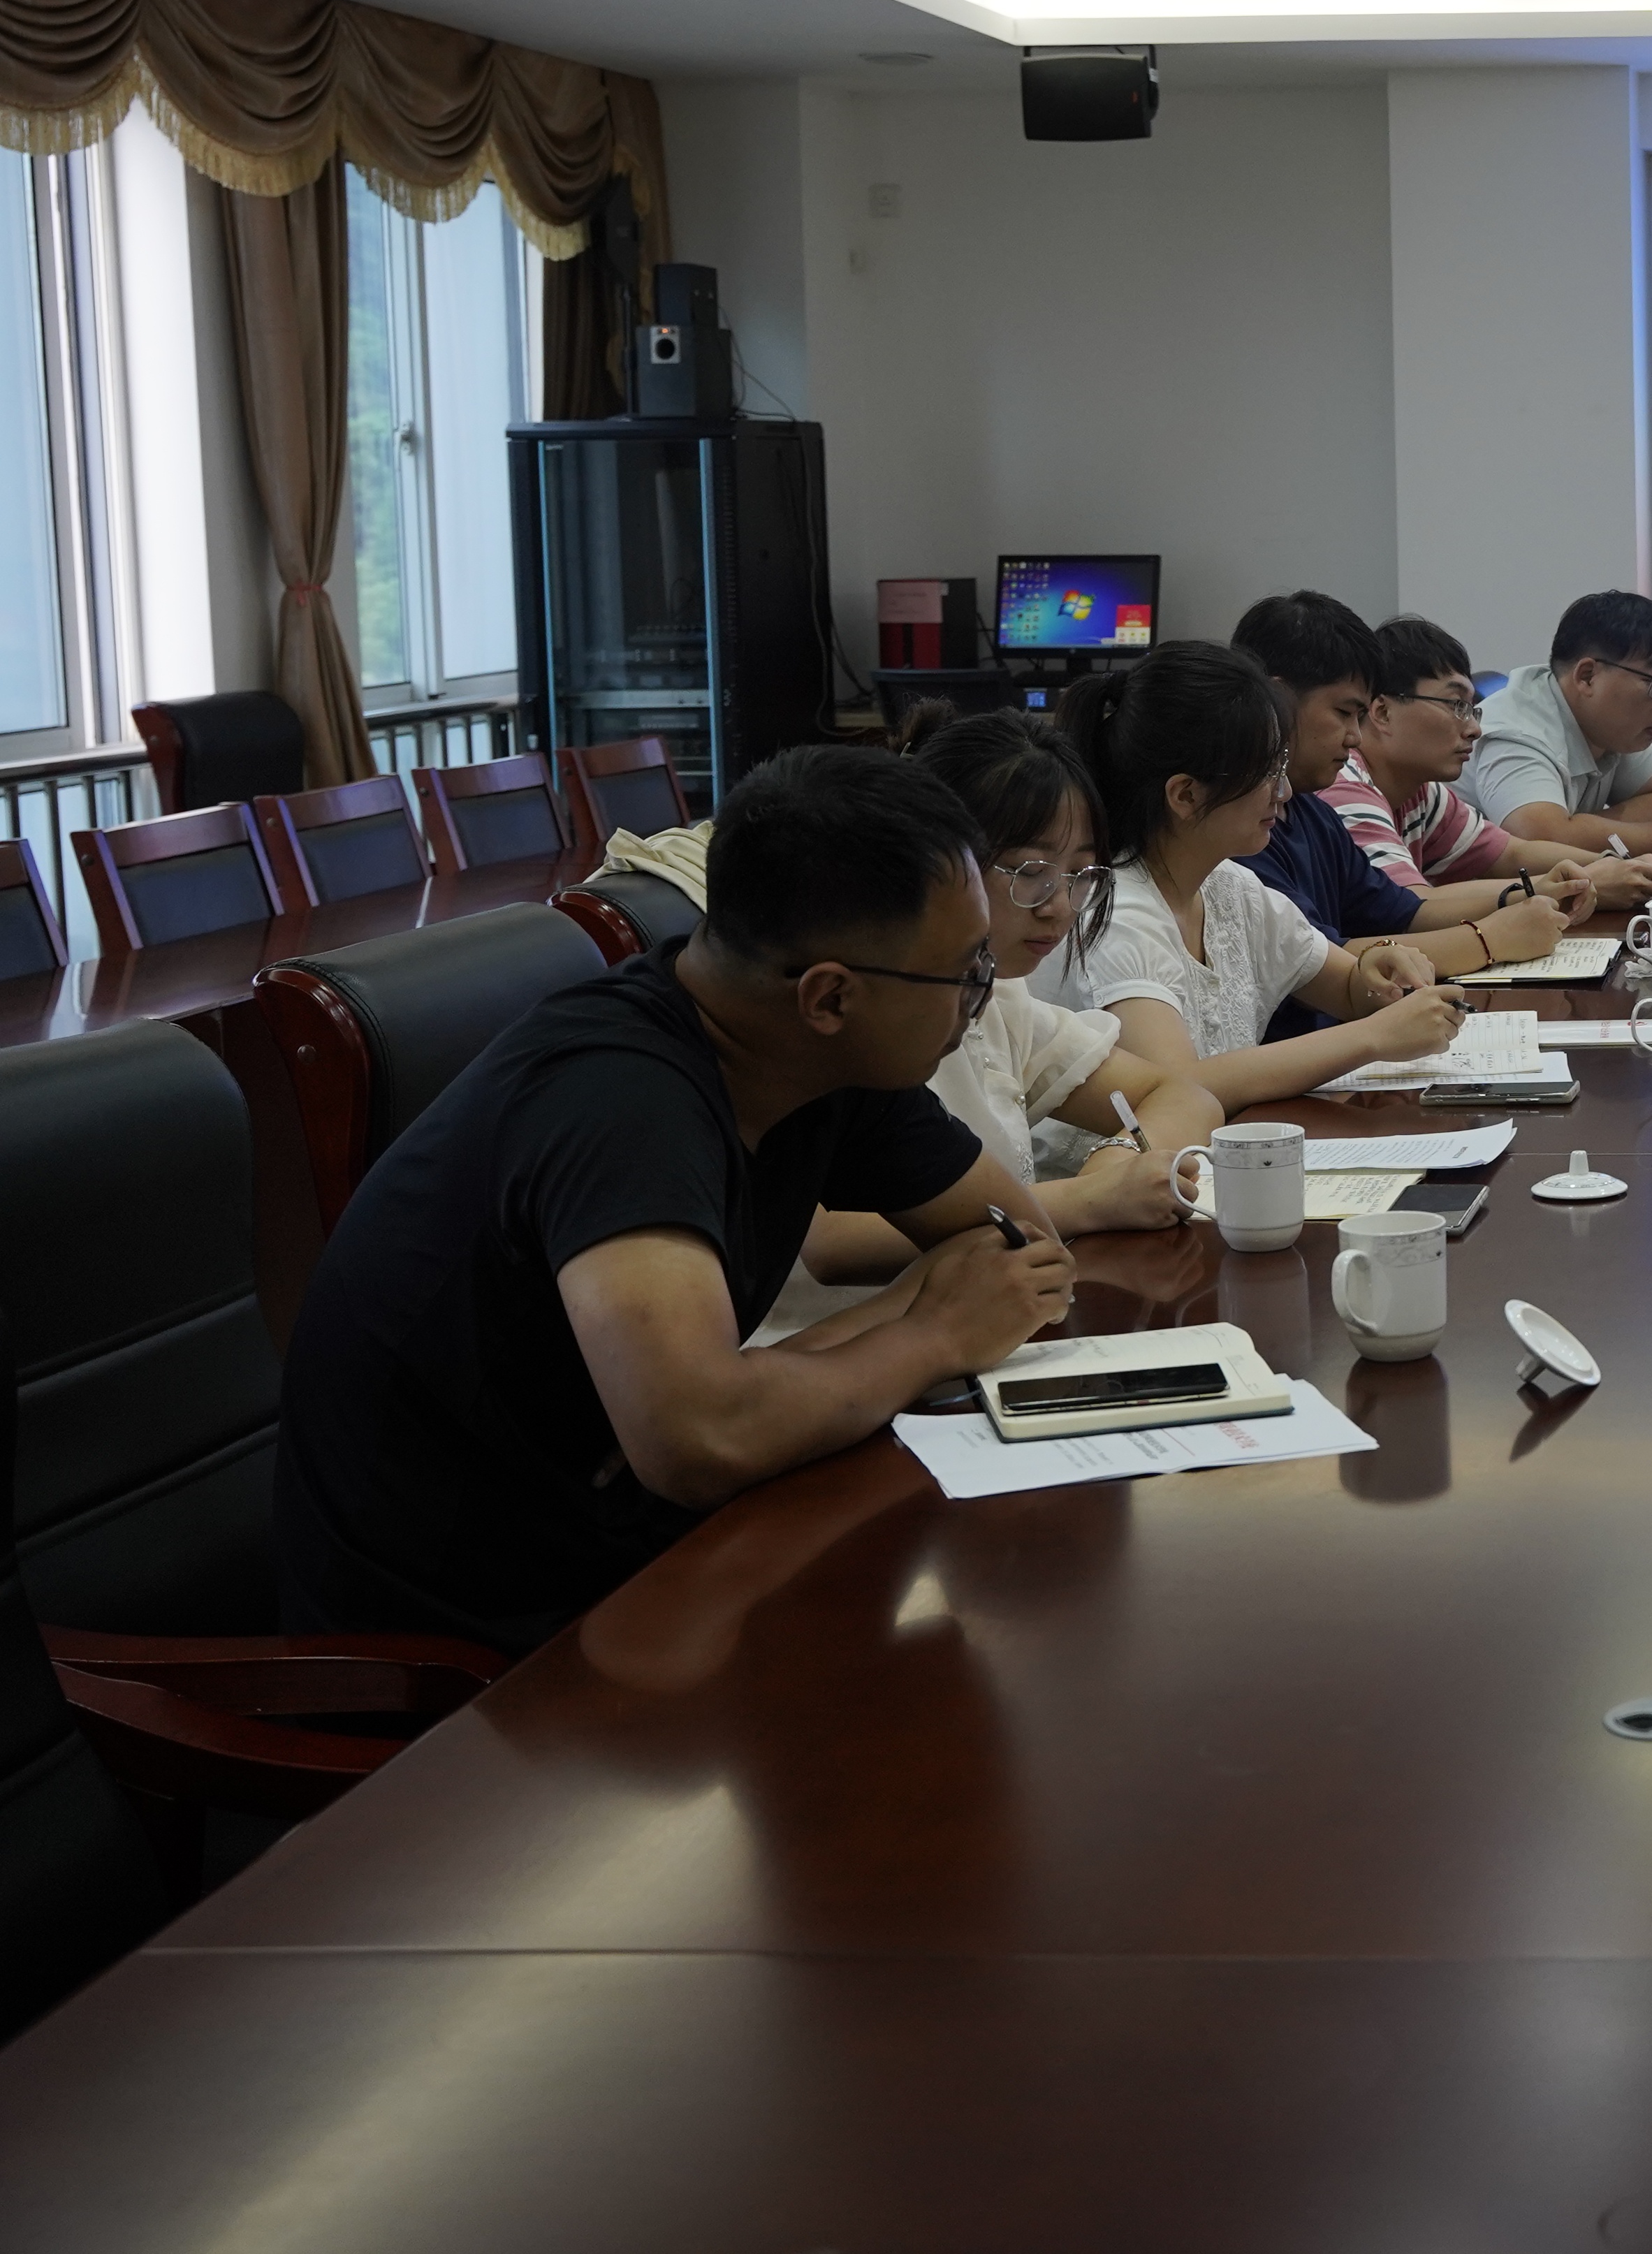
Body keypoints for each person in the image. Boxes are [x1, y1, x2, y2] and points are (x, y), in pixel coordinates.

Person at [274, 747, 1081, 1651]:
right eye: (965, 974)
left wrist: (788, 1379)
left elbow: (1021, 1248)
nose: (979, 999)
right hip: (467, 1647)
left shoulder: (825, 1055)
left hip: (641, 1560)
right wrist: (928, 1336)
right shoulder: (623, 1103)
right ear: (829, 996)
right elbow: (699, 1441)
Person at [790, 710, 1223, 1300]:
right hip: (859, 1335)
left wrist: (1116, 1166)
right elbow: (834, 1243)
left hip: (995, 1317)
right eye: (1029, 871)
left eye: (1079, 874)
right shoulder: (860, 1005)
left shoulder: (999, 995)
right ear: (937, 859)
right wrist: (1085, 1201)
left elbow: (1183, 1095)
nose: (1059, 906)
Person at [1039, 638, 1469, 1103]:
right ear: (1186, 795)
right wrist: (1373, 1037)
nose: (1283, 791)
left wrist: (1379, 971)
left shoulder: (1229, 886)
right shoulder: (1115, 914)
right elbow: (1173, 1090)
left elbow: (1346, 986)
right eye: (1265, 771)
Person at [1324, 611, 1652, 973]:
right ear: (1382, 712)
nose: (1474, 729)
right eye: (1456, 706)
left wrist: (1615, 866)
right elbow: (1410, 907)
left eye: (1471, 709)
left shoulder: (1420, 791)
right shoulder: (1345, 789)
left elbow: (1509, 852)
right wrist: (1558, 885)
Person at [1225, 591, 1449, 1039]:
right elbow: (1331, 962)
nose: (1355, 737)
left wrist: (1516, 901)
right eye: (1345, 712)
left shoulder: (1311, 811)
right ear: (1274, 699)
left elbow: (1399, 914)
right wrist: (1490, 938)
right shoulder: (1237, 842)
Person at [1461, 590, 1652, 861]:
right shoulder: (1518, 733)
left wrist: (1577, 827)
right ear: (1587, 677)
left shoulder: (1608, 728)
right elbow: (1537, 842)